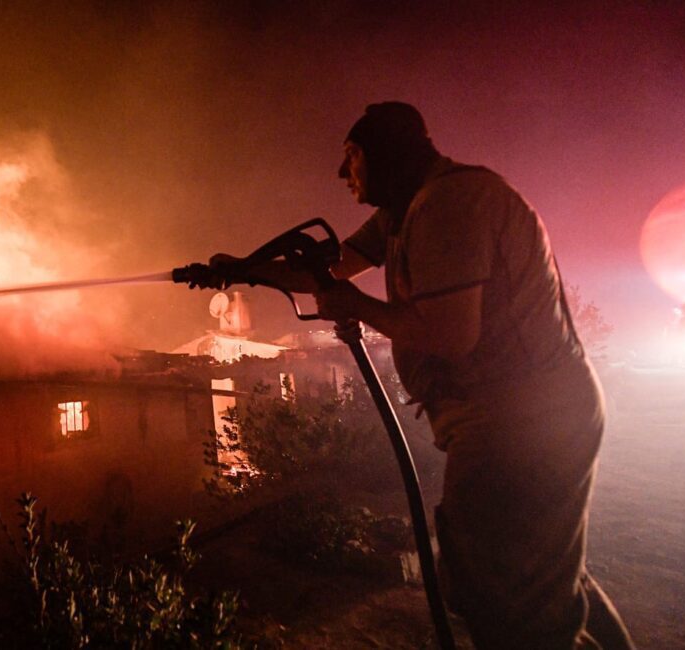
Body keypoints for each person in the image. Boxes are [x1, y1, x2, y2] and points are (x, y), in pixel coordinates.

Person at [206, 102, 632, 648]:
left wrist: (355, 304)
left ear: (387, 154)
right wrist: (239, 271)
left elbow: (450, 335)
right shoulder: (405, 211)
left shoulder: (450, 204)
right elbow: (327, 272)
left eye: (352, 157)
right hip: (524, 415)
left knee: (503, 599)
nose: (342, 175)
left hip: (522, 422)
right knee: (545, 577)